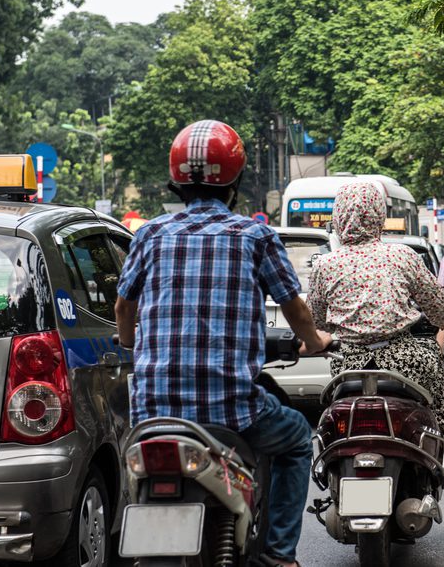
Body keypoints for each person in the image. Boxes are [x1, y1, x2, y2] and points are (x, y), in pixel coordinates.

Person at [115, 120, 331, 567]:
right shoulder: (254, 236)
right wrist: (313, 341)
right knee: (295, 440)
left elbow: (123, 310)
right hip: (232, 410)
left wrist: (134, 348)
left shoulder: (149, 235)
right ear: (234, 182)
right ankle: (278, 555)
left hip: (151, 411)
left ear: (176, 182)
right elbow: (295, 308)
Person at [306, 181, 444, 447]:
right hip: (404, 361)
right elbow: (438, 307)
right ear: (378, 216)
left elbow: (316, 320)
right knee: (436, 365)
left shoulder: (324, 263)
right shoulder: (402, 256)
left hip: (349, 365)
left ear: (338, 216)